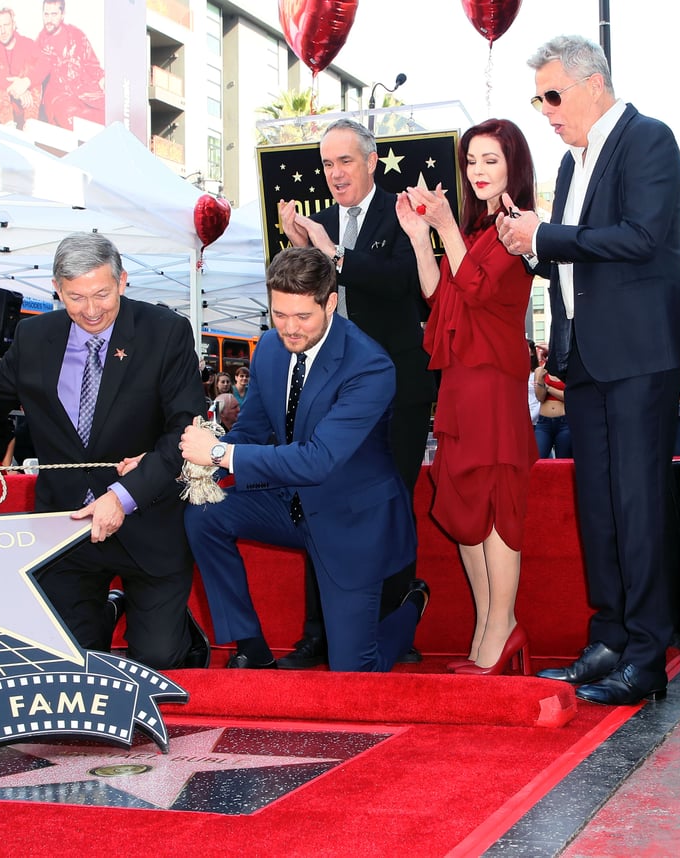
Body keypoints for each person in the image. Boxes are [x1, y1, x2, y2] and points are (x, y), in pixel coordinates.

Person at [0, 232, 209, 671]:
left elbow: (183, 432)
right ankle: (107, 611)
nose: (90, 310)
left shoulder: (166, 333)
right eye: (75, 297)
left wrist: (122, 496)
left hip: (147, 517)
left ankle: (178, 635)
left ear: (123, 281)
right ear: (56, 289)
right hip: (65, 525)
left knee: (158, 659)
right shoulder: (33, 337)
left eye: (102, 294)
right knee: (68, 661)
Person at [497, 35, 680, 705]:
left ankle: (645, 657)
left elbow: (642, 236)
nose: (545, 109)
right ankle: (608, 639)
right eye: (538, 97)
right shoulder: (574, 166)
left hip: (639, 358)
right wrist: (531, 246)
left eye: (553, 94)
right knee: (600, 508)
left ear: (594, 85)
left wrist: (546, 236)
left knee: (639, 508)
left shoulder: (649, 140)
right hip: (586, 361)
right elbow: (577, 260)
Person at [182, 246, 426, 671]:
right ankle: (250, 647)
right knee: (203, 511)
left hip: (353, 519)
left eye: (302, 317)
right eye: (279, 314)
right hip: (289, 503)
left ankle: (410, 608)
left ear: (330, 302)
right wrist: (202, 458)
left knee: (353, 672)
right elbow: (253, 429)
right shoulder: (271, 349)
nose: (289, 329)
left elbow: (318, 459)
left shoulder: (370, 365)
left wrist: (221, 453)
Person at [276, 117, 436, 669]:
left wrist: (333, 255)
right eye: (326, 164)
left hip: (399, 392)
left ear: (371, 160)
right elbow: (295, 305)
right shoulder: (316, 225)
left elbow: (408, 286)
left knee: (388, 509)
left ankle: (394, 624)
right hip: (330, 397)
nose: (335, 173)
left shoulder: (403, 212)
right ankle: (318, 634)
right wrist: (302, 249)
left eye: (345, 161)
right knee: (317, 502)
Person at [396, 118, 538, 675]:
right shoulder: (478, 231)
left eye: (490, 161)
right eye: (471, 161)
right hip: (459, 381)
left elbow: (478, 289)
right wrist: (418, 235)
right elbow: (441, 299)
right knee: (468, 506)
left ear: (514, 167)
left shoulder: (516, 225)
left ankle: (501, 628)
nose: (477, 171)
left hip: (494, 382)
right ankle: (488, 626)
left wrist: (447, 225)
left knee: (497, 502)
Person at [36, 0, 106, 130]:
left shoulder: (77, 35)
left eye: (53, 14)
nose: (49, 19)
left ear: (62, 14)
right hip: (59, 96)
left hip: (85, 90)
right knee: (72, 119)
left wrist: (102, 77)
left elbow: (91, 63)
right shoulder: (40, 43)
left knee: (112, 114)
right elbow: (34, 73)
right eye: (46, 14)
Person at [0, 7, 42, 128]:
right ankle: (8, 125)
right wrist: (16, 88)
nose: (3, 31)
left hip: (24, 104)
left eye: (6, 25)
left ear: (13, 25)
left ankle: (31, 124)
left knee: (34, 75)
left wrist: (25, 82)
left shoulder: (28, 44)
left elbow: (43, 64)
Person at [533, 364, 571, 458]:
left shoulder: (569, 370)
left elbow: (569, 397)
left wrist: (548, 388)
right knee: (538, 458)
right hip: (544, 423)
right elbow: (540, 397)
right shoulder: (540, 370)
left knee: (563, 461)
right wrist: (540, 378)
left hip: (564, 422)